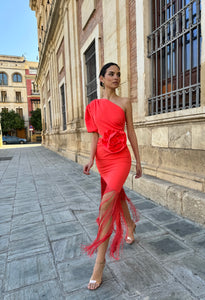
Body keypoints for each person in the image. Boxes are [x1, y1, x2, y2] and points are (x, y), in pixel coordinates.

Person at [83, 62, 142, 290]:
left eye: (118, 74)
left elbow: (132, 131)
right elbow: (94, 135)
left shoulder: (125, 102)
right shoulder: (93, 106)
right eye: (111, 74)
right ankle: (130, 225)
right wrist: (90, 159)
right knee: (115, 196)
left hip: (121, 158)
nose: (116, 77)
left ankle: (99, 262)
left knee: (106, 203)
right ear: (101, 78)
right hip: (103, 160)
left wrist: (138, 160)